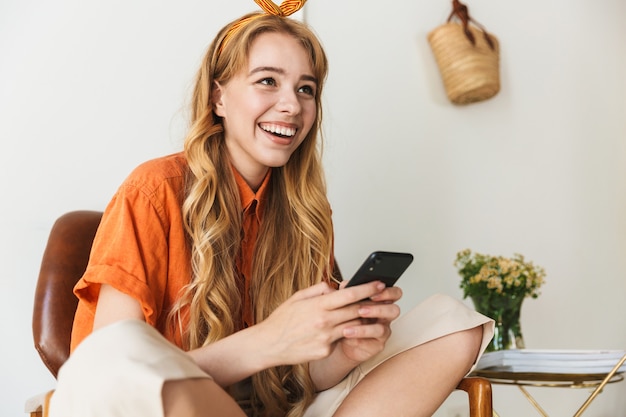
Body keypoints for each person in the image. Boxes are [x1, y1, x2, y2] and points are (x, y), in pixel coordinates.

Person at [49, 1, 494, 416]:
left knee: (457, 324)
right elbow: (112, 373)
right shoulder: (153, 190)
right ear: (218, 98)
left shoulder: (306, 211)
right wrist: (267, 342)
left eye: (306, 89)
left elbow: (299, 380)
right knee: (118, 352)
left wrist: (343, 353)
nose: (291, 105)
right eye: (267, 80)